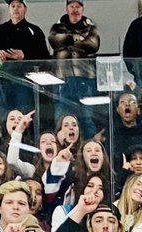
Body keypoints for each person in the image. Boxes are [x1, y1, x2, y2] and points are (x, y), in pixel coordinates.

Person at [0, 0, 51, 116]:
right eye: (13, 6)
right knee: (3, 116)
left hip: (24, 82)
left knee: (24, 115)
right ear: (9, 9)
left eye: (19, 6)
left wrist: (25, 56)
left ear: (25, 9)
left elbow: (44, 57)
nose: (16, 9)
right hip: (1, 81)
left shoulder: (34, 31)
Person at [48, 0, 101, 134]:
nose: (74, 9)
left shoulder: (90, 27)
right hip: (61, 80)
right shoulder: (56, 27)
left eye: (78, 6)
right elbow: (54, 40)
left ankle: (88, 144)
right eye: (71, 6)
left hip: (85, 79)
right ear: (66, 9)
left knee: (86, 118)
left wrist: (66, 43)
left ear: (82, 9)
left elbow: (93, 45)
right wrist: (77, 39)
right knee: (61, 118)